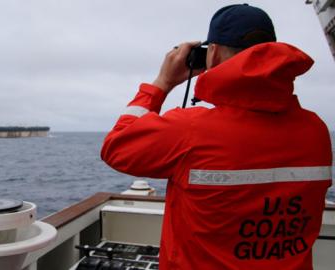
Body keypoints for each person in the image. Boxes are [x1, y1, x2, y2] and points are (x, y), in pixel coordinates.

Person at [101, 4, 332, 270]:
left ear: (213, 53)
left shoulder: (190, 130)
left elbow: (116, 146)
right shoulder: (316, 130)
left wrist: (162, 83)